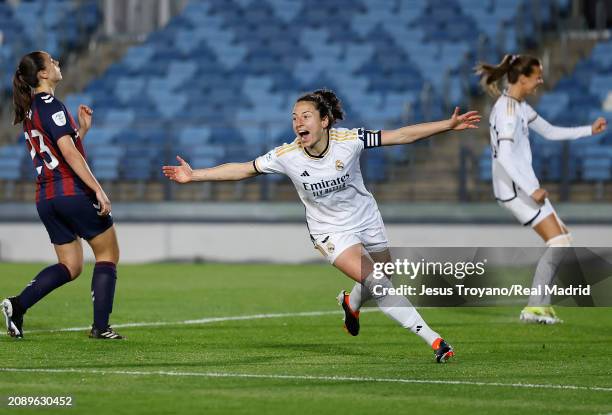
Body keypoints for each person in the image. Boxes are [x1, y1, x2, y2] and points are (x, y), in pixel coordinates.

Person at [163, 89, 481, 362]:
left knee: (384, 277)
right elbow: (243, 169)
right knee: (380, 284)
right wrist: (195, 175)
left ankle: (351, 302)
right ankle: (436, 341)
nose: (298, 122)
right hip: (330, 232)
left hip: (366, 216)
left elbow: (400, 135)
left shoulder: (350, 140)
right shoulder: (286, 155)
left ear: (324, 121)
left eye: (305, 116)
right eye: (294, 117)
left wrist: (447, 125)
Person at [475, 54, 607, 323]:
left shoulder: (518, 106)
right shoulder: (508, 112)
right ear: (522, 78)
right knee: (558, 241)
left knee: (564, 241)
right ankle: (535, 307)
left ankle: (539, 306)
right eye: (537, 76)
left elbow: (549, 131)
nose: (541, 81)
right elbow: (505, 157)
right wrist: (530, 189)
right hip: (515, 190)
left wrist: (589, 131)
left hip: (524, 186)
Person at [2, 51, 123, 340]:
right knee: (108, 253)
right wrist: (98, 189)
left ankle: (17, 305)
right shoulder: (52, 105)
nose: (58, 64)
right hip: (70, 192)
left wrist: (80, 130)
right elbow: (68, 154)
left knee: (71, 265)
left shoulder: (30, 107)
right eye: (52, 61)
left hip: (46, 197)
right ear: (42, 74)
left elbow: (58, 149)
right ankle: (101, 327)